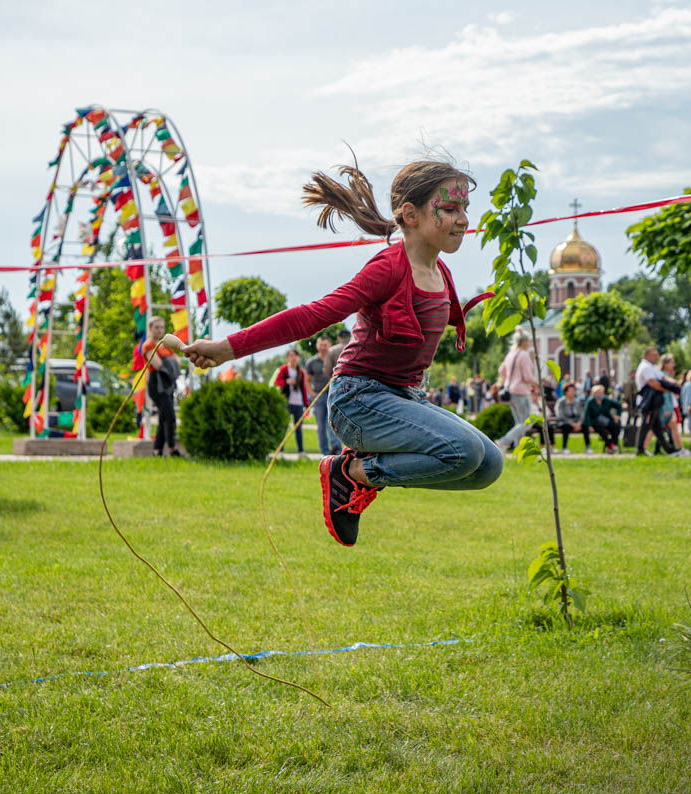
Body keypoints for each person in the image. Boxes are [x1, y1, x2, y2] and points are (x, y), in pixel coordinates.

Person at [184, 158, 501, 547]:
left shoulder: (441, 273)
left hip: (404, 399)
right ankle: (351, 474)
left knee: (488, 465)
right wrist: (226, 349)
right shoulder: (388, 269)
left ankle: (362, 472)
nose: (463, 220)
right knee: (464, 452)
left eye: (465, 208)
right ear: (410, 214)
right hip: (359, 401)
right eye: (450, 209)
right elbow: (312, 316)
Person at [142, 315, 181, 457]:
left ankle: (157, 450)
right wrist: (170, 364)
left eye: (162, 327)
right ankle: (172, 448)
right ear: (150, 329)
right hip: (157, 384)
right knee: (169, 416)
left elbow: (178, 361)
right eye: (156, 327)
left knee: (163, 417)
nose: (159, 330)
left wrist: (169, 364)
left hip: (168, 383)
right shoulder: (148, 345)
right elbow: (158, 365)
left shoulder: (166, 346)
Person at [495, 329, 538, 451]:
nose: (529, 343)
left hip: (510, 391)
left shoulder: (510, 354)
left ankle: (519, 448)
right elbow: (528, 376)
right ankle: (503, 441)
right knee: (527, 423)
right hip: (521, 391)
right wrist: (538, 384)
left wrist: (508, 379)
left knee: (519, 423)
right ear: (524, 342)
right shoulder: (524, 355)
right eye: (528, 341)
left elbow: (501, 370)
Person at [634, 347, 679, 456]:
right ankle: (640, 449)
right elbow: (653, 383)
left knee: (657, 428)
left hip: (654, 402)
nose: (657, 357)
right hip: (648, 402)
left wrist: (675, 384)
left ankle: (669, 449)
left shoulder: (652, 367)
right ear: (646, 355)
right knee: (646, 425)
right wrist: (665, 389)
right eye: (654, 355)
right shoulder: (645, 367)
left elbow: (663, 377)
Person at [306, 336, 339, 455]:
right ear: (317, 346)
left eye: (325, 345)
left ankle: (337, 450)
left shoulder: (336, 359)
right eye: (321, 345)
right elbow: (307, 380)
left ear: (330, 345)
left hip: (333, 396)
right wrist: (312, 393)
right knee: (321, 426)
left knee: (333, 424)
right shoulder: (311, 362)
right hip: (319, 396)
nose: (323, 347)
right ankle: (325, 452)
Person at [274, 348, 310, 453]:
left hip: (298, 403)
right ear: (287, 358)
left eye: (295, 355)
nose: (293, 358)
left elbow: (304, 389)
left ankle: (301, 451)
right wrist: (286, 381)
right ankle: (280, 450)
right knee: (284, 426)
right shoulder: (284, 369)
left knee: (298, 428)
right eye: (290, 355)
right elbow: (277, 382)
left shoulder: (301, 372)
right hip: (287, 402)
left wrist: (306, 404)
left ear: (299, 358)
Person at [584, 384, 623, 453]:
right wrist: (589, 425)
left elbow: (619, 406)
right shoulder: (590, 402)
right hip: (595, 423)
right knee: (603, 431)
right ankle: (611, 445)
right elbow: (587, 415)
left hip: (607, 421)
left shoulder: (606, 400)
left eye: (601, 392)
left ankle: (614, 444)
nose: (600, 394)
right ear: (594, 394)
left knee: (616, 426)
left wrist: (617, 415)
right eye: (598, 393)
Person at [553, 382, 589, 454]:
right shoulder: (560, 402)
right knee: (566, 427)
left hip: (577, 422)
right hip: (564, 422)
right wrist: (571, 423)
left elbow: (582, 414)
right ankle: (564, 447)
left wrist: (579, 423)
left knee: (585, 426)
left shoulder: (577, 401)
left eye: (574, 390)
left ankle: (588, 447)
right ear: (566, 392)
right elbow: (560, 415)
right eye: (571, 390)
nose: (573, 392)